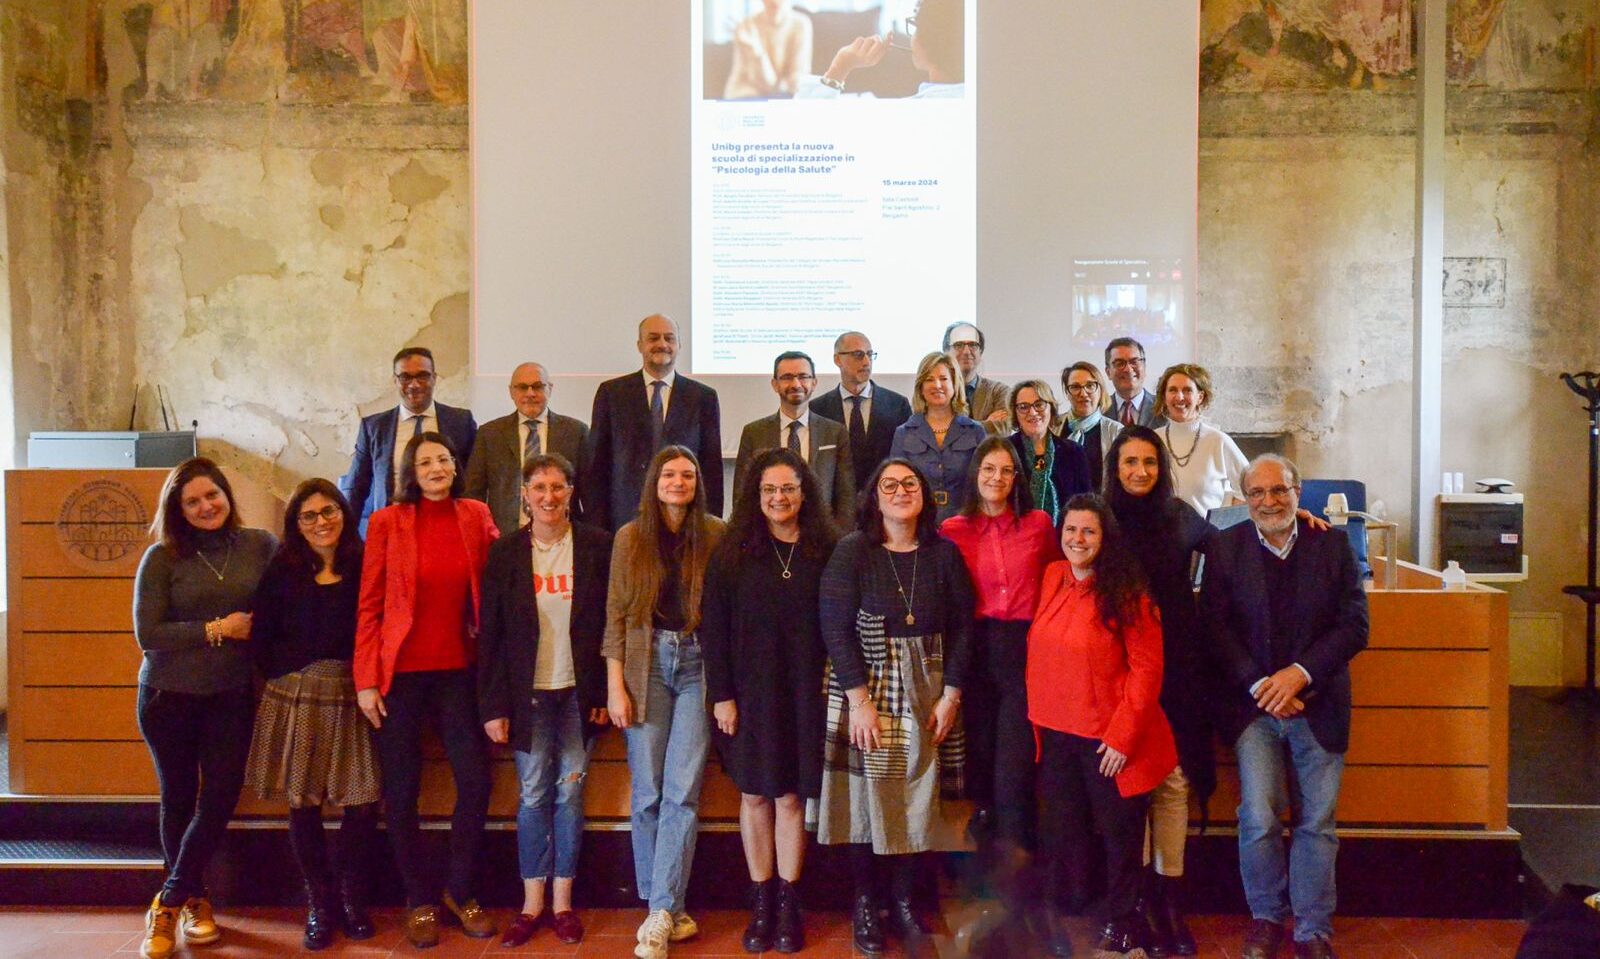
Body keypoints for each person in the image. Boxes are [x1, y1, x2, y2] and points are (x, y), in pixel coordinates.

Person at [1200, 455, 1368, 959]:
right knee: (1259, 816)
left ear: (1298, 492)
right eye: (1257, 493)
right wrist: (1260, 684)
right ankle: (1267, 919)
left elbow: (1355, 625)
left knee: (1317, 821)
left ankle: (1313, 929)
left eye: (1279, 491)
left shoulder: (1332, 544)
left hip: (1320, 705)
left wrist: (1299, 674)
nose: (1269, 502)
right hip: (1253, 710)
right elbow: (1214, 627)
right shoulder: (1225, 548)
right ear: (1242, 498)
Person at [817, 458, 975, 957]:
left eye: (910, 484)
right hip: (867, 685)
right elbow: (835, 626)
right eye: (890, 484)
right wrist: (858, 699)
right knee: (865, 801)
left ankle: (904, 902)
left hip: (929, 686)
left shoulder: (944, 554)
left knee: (916, 796)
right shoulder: (853, 551)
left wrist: (951, 694)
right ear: (874, 496)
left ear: (925, 495)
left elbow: (965, 626)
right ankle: (866, 903)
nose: (901, 491)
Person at [353, 432, 499, 949]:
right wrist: (366, 679)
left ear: (455, 466)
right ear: (410, 473)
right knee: (400, 792)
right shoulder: (388, 522)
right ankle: (418, 898)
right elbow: (369, 605)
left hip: (460, 672)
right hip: (401, 677)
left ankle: (459, 891)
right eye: (424, 462)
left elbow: (500, 583)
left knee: (476, 782)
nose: (436, 467)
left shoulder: (476, 514)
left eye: (443, 459)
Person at [132, 458, 277, 959]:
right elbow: (149, 636)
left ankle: (168, 898)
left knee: (218, 798)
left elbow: (286, 602)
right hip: (167, 698)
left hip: (231, 696)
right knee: (177, 798)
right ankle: (195, 900)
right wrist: (219, 629)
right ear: (178, 509)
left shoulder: (260, 545)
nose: (205, 507)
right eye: (192, 501)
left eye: (212, 495)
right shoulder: (161, 557)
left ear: (226, 495)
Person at [1028, 494, 1177, 959]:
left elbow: (1148, 670)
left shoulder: (1128, 591)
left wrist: (1122, 736)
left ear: (1105, 537)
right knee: (1064, 833)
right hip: (1056, 734)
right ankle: (1084, 912)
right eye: (1071, 530)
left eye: (1089, 531)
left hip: (1108, 741)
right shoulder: (1053, 576)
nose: (1078, 539)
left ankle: (1124, 923)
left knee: (1120, 838)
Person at [702, 448, 836, 954]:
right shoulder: (733, 551)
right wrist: (722, 697)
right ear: (755, 497)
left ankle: (789, 902)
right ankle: (760, 900)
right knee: (755, 795)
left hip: (805, 693)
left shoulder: (828, 548)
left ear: (805, 493)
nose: (778, 498)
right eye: (768, 490)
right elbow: (713, 631)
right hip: (747, 695)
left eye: (788, 489)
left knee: (789, 798)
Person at [478, 453, 613, 948]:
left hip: (578, 695)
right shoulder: (506, 553)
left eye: (558, 487)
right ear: (525, 495)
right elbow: (489, 636)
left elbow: (607, 627)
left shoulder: (598, 546)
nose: (549, 496)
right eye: (539, 487)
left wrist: (601, 692)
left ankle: (563, 903)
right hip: (527, 697)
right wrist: (493, 706)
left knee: (570, 793)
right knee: (534, 794)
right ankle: (531, 904)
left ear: (571, 491)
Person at [243, 479, 379, 952]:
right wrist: (295, 674)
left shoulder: (365, 564)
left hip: (354, 694)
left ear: (343, 513)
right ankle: (319, 903)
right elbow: (262, 639)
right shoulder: (282, 569)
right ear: (296, 524)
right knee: (303, 802)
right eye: (309, 515)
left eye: (329, 511)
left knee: (361, 802)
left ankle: (349, 896)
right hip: (298, 697)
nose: (321, 522)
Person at [602, 446, 727, 959]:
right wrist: (615, 684)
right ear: (654, 482)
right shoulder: (629, 538)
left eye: (688, 475)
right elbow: (615, 617)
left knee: (682, 790)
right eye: (670, 474)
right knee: (648, 791)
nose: (679, 482)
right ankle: (665, 908)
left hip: (700, 665)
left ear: (698, 483)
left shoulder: (717, 534)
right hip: (645, 665)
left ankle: (658, 911)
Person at [1105, 427, 1216, 956]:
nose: (1140, 472)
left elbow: (1236, 545)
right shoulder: (1099, 520)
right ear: (1115, 466)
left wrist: (1302, 524)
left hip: (1176, 670)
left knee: (1172, 780)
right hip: (1114, 674)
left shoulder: (1180, 515)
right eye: (1130, 462)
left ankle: (1169, 900)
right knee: (1129, 785)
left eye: (1149, 462)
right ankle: (1131, 904)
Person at [939, 438, 1055, 855]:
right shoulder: (953, 530)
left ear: (1017, 478)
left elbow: (1059, 581)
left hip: (1024, 649)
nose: (997, 478)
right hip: (975, 647)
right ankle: (992, 869)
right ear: (975, 474)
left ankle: (1021, 869)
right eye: (989, 469)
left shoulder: (1039, 524)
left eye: (1006, 470)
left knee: (1015, 764)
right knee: (983, 756)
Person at [588, 315, 724, 531]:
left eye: (669, 338)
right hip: (625, 521)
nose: (662, 344)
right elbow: (597, 467)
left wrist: (710, 526)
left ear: (679, 345)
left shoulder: (702, 397)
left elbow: (711, 468)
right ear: (639, 345)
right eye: (653, 338)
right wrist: (597, 528)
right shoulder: (612, 394)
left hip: (686, 522)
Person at [340, 346, 478, 535]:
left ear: (434, 378)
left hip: (448, 527)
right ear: (395, 381)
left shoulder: (461, 422)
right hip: (393, 529)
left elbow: (473, 480)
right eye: (405, 377)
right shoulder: (374, 427)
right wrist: (346, 537)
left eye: (422, 375)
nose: (414, 384)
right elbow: (357, 486)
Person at [733, 351, 856, 531]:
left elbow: (846, 497)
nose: (796, 384)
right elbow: (742, 496)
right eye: (787, 377)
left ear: (814, 382)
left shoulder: (835, 432)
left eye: (803, 377)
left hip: (822, 536)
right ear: (775, 384)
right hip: (767, 537)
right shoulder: (754, 433)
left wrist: (838, 540)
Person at [464, 361, 591, 535]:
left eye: (537, 386)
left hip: (563, 536)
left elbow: (591, 494)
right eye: (523, 387)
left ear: (550, 389)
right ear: (511, 392)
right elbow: (473, 492)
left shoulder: (576, 432)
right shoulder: (490, 434)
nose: (530, 393)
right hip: (505, 537)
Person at [810, 331, 912, 496]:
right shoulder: (818, 408)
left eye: (870, 355)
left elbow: (905, 462)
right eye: (858, 355)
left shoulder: (897, 405)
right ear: (837, 359)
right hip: (836, 506)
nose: (866, 362)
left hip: (884, 502)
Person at [797, 0, 965, 99]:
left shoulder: (903, 115)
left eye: (915, 24)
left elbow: (805, 128)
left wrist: (839, 68)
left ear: (927, 39)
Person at [890, 351, 986, 523]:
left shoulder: (975, 431)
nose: (937, 385)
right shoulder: (903, 433)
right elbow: (896, 486)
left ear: (954, 384)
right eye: (929, 379)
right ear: (920, 386)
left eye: (943, 378)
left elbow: (984, 485)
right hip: (919, 523)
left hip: (966, 523)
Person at [1152, 363, 1250, 516]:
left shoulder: (1218, 441)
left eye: (1187, 390)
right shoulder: (1153, 440)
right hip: (1161, 536)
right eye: (1172, 390)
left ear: (1200, 397)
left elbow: (1252, 487)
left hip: (1207, 537)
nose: (1179, 397)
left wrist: (1223, 520)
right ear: (1164, 397)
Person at [1007, 379, 1093, 524]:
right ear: (1015, 413)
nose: (1033, 412)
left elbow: (1086, 504)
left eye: (1039, 405)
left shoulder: (1073, 452)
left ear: (1051, 409)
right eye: (1023, 407)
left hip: (1065, 539)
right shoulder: (1004, 451)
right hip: (1015, 538)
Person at [722, 0, 813, 100]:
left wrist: (779, 88)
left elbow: (797, 82)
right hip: (744, 96)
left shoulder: (800, 24)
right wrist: (756, 52)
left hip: (782, 97)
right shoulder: (748, 25)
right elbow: (764, 84)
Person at [1059, 360, 1123, 487]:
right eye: (1075, 387)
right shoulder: (1052, 426)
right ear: (1067, 392)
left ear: (1100, 390)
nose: (1083, 393)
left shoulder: (1117, 432)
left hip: (1101, 505)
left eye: (1090, 386)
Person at [943, 322, 1011, 435]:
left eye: (973, 345)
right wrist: (986, 424)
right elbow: (936, 430)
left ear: (981, 352)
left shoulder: (999, 391)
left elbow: (1003, 429)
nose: (966, 351)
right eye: (959, 345)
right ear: (946, 351)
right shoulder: (936, 392)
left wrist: (955, 430)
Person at [1105, 337, 1162, 428]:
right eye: (1119, 363)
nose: (1128, 369)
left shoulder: (1163, 408)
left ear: (1144, 367)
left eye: (1134, 362)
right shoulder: (1100, 410)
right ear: (1108, 372)